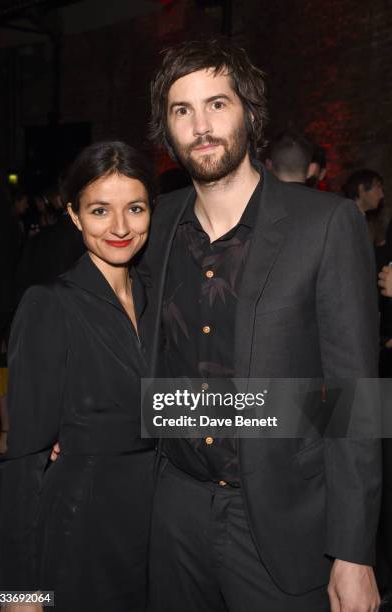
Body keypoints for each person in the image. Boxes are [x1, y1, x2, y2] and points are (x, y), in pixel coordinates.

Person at [142, 38, 381, 612]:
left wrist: (353, 552)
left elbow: (351, 399)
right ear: (167, 130)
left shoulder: (325, 224)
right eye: (182, 110)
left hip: (278, 520)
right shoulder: (155, 224)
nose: (201, 125)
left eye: (217, 104)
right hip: (171, 509)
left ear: (249, 112)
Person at [0, 141, 155, 612]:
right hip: (81, 528)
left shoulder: (161, 300)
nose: (121, 227)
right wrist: (17, 593)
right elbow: (24, 457)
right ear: (74, 215)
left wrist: (321, 411)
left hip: (158, 526)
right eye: (100, 210)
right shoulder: (49, 305)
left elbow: (175, 408)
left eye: (135, 208)